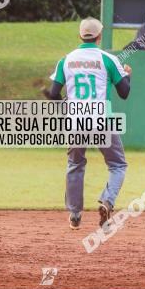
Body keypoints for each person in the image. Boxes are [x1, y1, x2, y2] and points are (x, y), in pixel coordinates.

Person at [46, 18, 132, 230]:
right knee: (117, 165)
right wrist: (128, 76)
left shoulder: (66, 60)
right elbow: (124, 92)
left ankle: (75, 215)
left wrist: (66, 103)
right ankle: (107, 201)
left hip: (76, 121)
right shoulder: (108, 59)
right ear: (99, 36)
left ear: (80, 36)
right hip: (102, 120)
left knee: (75, 164)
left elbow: (53, 94)